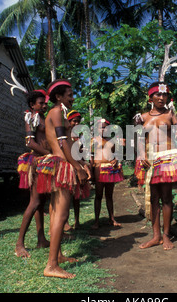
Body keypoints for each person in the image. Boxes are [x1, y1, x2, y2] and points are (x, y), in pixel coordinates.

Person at [35, 79, 90, 279]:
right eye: (70, 94)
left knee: (55, 211)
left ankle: (58, 255)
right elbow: (61, 142)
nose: (73, 98)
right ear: (59, 97)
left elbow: (65, 143)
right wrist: (77, 167)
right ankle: (51, 265)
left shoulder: (59, 113)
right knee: (61, 214)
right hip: (62, 166)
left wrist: (81, 164)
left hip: (61, 163)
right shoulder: (57, 112)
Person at [134, 82, 177, 250]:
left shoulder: (170, 114)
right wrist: (141, 155)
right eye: (158, 95)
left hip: (167, 157)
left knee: (166, 197)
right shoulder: (141, 117)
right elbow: (137, 139)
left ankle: (166, 235)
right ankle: (156, 235)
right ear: (150, 97)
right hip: (150, 159)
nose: (161, 97)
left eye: (164, 95)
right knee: (153, 198)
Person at [15, 90, 51, 258]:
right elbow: (30, 142)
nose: (45, 105)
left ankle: (41, 239)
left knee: (41, 202)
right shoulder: (31, 117)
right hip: (38, 161)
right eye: (41, 103)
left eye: (45, 102)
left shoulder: (42, 118)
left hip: (45, 161)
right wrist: (47, 154)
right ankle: (19, 244)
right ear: (32, 105)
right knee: (35, 202)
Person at [91, 118, 123, 229]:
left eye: (105, 127)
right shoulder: (93, 140)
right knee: (98, 195)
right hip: (99, 168)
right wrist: (91, 169)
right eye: (101, 127)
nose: (103, 129)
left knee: (109, 195)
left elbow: (117, 154)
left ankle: (112, 218)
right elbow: (90, 156)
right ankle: (96, 221)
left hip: (110, 169)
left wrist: (116, 160)